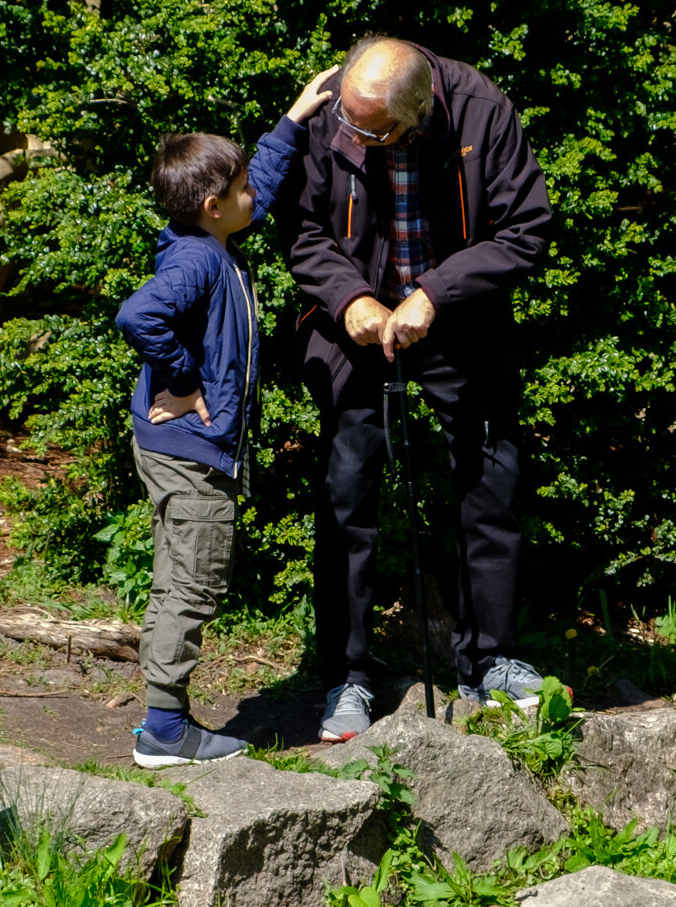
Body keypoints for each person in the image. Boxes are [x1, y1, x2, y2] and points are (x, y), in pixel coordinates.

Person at [285, 37, 553, 742]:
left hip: (460, 326)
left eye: (368, 131)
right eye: (346, 119)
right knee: (346, 500)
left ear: (416, 114)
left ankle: (488, 662)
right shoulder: (335, 107)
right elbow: (298, 224)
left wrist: (435, 293)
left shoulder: (481, 111)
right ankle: (347, 675)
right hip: (358, 330)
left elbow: (526, 231)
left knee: (490, 487)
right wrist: (348, 299)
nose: (348, 136)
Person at [118, 66, 338, 767]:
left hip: (182, 447)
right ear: (213, 205)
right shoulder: (197, 264)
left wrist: (293, 121)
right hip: (190, 449)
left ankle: (164, 715)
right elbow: (138, 314)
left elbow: (260, 190)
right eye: (240, 189)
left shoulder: (210, 238)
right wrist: (181, 382)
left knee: (175, 576)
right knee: (195, 581)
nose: (254, 196)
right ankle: (164, 729)